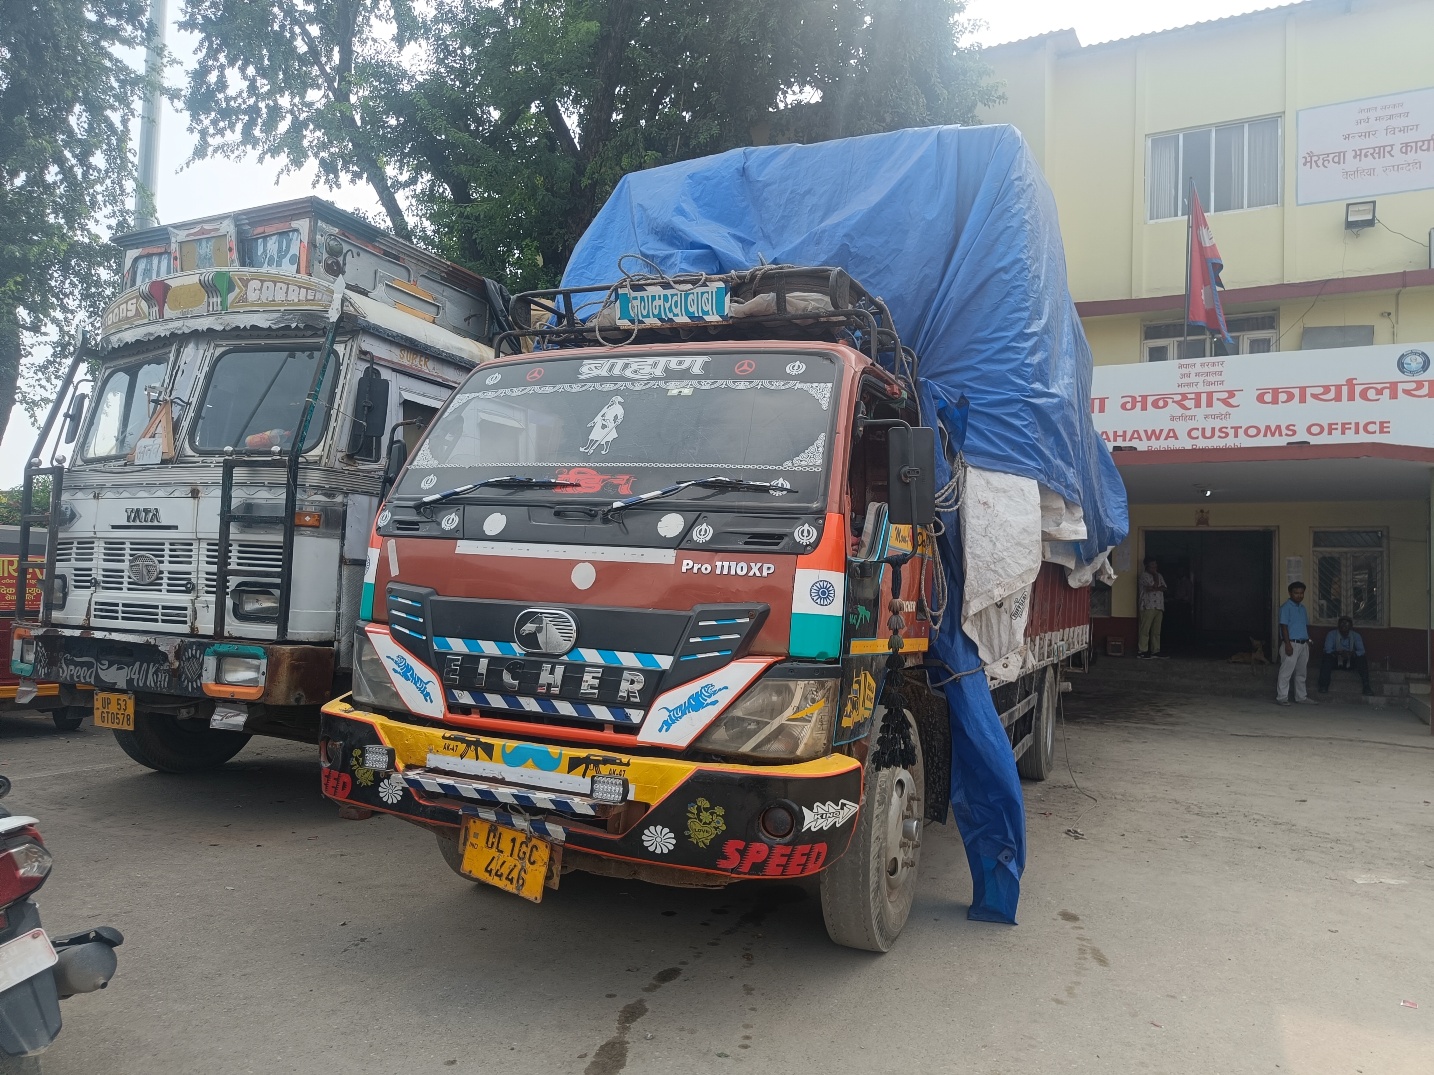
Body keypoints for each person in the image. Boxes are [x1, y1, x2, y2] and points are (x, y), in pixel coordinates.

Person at [1276, 582, 1317, 706]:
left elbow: (1305, 626)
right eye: (1296, 593)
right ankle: (1282, 697)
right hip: (1291, 643)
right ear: (1290, 593)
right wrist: (1287, 644)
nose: (1299, 595)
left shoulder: (1302, 608)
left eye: (1301, 593)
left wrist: (1308, 640)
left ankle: (1301, 697)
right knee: (1286, 672)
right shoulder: (1285, 607)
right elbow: (1284, 627)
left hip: (1303, 644)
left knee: (1301, 673)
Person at [1318, 617, 1373, 696]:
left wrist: (1351, 654)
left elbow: (1362, 651)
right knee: (1327, 657)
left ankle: (1366, 686)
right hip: (1336, 660)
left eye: (1347, 623)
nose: (1344, 625)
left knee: (1361, 658)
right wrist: (1338, 653)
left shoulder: (1356, 635)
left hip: (1350, 661)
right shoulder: (1331, 634)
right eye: (1342, 623)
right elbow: (1327, 650)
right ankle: (1323, 686)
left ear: (1351, 626)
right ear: (1338, 625)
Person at [1137, 557, 1168, 659]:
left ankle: (1155, 651)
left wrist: (1156, 584)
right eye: (1152, 565)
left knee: (1156, 631)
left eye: (1155, 564)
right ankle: (1142, 651)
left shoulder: (1160, 575)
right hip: (1147, 606)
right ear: (1147, 566)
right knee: (1145, 630)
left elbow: (1164, 587)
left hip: (1159, 606)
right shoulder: (1143, 576)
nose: (1155, 567)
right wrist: (1155, 577)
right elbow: (1152, 587)